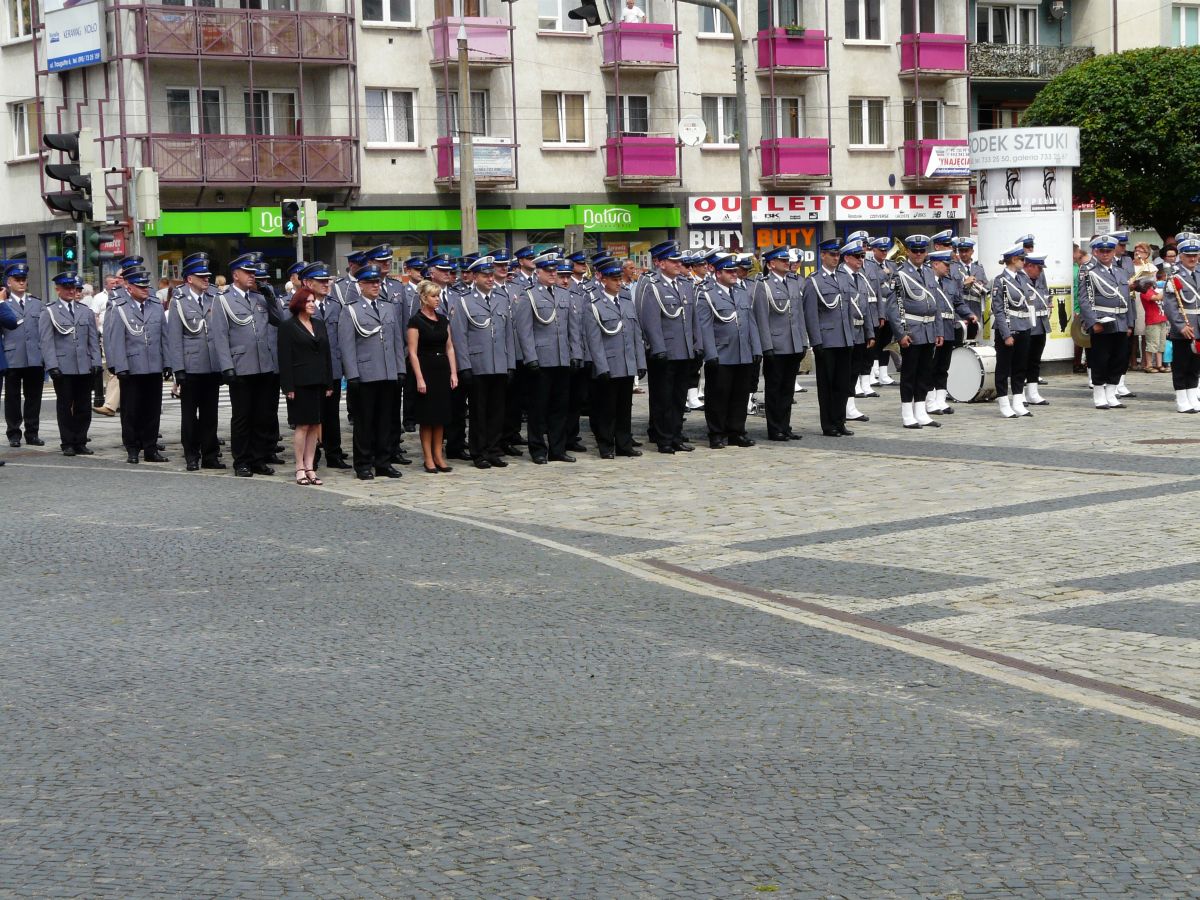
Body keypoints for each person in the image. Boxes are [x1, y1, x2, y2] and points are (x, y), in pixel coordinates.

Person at [210, 254, 280, 476]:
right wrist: (226, 366)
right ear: (235, 275)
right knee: (242, 417)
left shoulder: (259, 298)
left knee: (262, 416)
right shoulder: (223, 300)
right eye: (248, 272)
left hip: (263, 365)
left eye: (254, 273)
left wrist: (271, 297)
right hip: (240, 366)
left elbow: (279, 320)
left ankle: (258, 459)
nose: (252, 276)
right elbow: (220, 336)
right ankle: (241, 460)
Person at [449, 256, 517, 469]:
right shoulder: (464, 301)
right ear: (475, 277)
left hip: (499, 363)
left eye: (491, 275)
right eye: (485, 275)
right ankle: (479, 452)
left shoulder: (501, 299)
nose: (490, 279)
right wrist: (465, 366)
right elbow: (459, 337)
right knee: (478, 412)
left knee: (497, 411)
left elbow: (508, 335)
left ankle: (494, 450)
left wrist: (510, 363)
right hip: (478, 364)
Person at [340, 265, 406, 480]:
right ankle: (363, 464)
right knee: (364, 423)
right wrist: (352, 374)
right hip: (365, 373)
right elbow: (347, 345)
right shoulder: (351, 310)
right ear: (361, 285)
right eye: (370, 283)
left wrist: (400, 369)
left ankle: (383, 462)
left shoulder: (388, 307)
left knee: (386, 421)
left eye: (377, 282)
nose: (376, 286)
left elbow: (397, 341)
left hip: (388, 372)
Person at [513, 253, 577, 464]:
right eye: (548, 271)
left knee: (560, 407)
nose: (552, 274)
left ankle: (557, 448)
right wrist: (530, 357)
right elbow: (524, 330)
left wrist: (575, 353)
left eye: (554, 271)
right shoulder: (529, 295)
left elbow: (572, 328)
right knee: (538, 408)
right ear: (538, 272)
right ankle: (538, 448)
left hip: (561, 358)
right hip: (541, 360)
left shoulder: (564, 294)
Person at [638, 240, 700, 453]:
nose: (678, 264)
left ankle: (676, 435)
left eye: (679, 261)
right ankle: (663, 438)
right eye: (673, 261)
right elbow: (651, 321)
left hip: (684, 350)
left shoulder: (685, 284)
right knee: (662, 397)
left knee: (679, 397)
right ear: (661, 263)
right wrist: (658, 347)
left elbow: (693, 319)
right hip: (664, 351)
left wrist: (696, 343)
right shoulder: (653, 286)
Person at [104, 268, 170, 463]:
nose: (145, 289)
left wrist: (167, 362)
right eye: (140, 286)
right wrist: (120, 366)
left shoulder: (155, 305)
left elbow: (164, 336)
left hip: (154, 365)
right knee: (131, 410)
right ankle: (132, 448)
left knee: (152, 410)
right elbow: (116, 339)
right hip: (132, 367)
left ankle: (150, 448)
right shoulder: (120, 307)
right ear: (130, 288)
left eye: (146, 286)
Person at [696, 256, 762, 448]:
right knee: (718, 395)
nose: (734, 274)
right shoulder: (708, 294)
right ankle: (717, 433)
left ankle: (736, 431)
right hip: (721, 352)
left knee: (740, 395)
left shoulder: (741, 292)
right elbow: (705, 327)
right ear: (718, 273)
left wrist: (756, 348)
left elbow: (751, 322)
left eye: (735, 271)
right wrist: (710, 354)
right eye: (729, 271)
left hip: (743, 352)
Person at [166, 254, 225, 471]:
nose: (206, 279)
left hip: (211, 365)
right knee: (189, 416)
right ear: (190, 279)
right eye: (201, 276)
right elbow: (174, 338)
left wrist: (222, 365)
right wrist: (178, 369)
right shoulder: (179, 302)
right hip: (191, 367)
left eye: (207, 276)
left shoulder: (215, 298)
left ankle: (210, 455)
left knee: (210, 415)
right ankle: (191, 455)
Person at [586, 261, 645, 458]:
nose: (618, 283)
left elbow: (636, 335)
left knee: (624, 409)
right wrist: (601, 366)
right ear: (603, 280)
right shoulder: (594, 305)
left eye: (619, 279)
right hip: (609, 364)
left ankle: (624, 444)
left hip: (627, 363)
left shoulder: (627, 302)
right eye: (614, 279)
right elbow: (594, 340)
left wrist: (640, 362)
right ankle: (605, 445)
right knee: (606, 409)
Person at [38, 273, 101, 457]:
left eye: (73, 288)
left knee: (84, 406)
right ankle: (67, 442)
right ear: (57, 289)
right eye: (66, 288)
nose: (71, 291)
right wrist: (52, 365)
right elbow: (46, 341)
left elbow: (93, 339)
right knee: (65, 405)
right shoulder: (50, 311)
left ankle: (80, 441)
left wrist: (96, 361)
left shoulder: (85, 311)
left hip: (84, 365)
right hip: (63, 366)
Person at [277, 287, 334, 485]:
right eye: (308, 301)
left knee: (315, 425)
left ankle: (310, 467)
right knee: (302, 425)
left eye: (313, 301)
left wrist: (329, 381)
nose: (312, 304)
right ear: (299, 303)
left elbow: (326, 354)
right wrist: (288, 386)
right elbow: (284, 358)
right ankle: (299, 467)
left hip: (319, 381)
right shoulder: (288, 326)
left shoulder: (318, 324)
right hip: (300, 383)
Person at [887, 235, 943, 429]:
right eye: (914, 251)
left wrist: (939, 330)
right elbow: (893, 307)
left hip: (929, 330)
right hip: (911, 331)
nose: (918, 254)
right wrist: (901, 334)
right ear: (908, 252)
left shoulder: (929, 272)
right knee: (909, 374)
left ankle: (921, 411)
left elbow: (935, 304)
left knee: (925, 374)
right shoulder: (900, 274)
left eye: (922, 251)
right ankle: (907, 414)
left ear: (926, 252)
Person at [752, 246, 808, 440]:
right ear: (771, 264)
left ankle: (785, 426)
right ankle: (775, 428)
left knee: (787, 389)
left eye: (787, 260)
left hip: (793, 343)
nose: (787, 263)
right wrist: (767, 346)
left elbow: (799, 316)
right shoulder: (764, 285)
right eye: (783, 260)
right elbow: (761, 318)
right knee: (774, 388)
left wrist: (803, 341)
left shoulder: (793, 282)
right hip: (776, 345)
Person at [802, 239, 856, 436]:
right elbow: (810, 314)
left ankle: (840, 421)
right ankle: (828, 424)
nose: (835, 258)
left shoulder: (843, 278)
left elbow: (848, 310)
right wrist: (816, 342)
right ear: (822, 255)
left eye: (837, 255)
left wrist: (850, 336)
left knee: (843, 384)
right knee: (827, 386)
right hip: (826, 340)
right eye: (832, 254)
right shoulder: (814, 281)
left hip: (844, 339)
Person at [301, 262, 351, 469]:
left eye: (327, 281)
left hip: (333, 367)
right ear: (307, 283)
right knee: (312, 414)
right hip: (310, 369)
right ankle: (311, 456)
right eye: (320, 281)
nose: (326, 284)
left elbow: (342, 339)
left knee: (332, 414)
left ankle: (334, 453)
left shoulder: (335, 305)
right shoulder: (301, 306)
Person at [406, 280, 457, 473]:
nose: (437, 299)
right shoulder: (415, 321)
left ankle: (438, 455)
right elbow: (412, 352)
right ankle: (428, 458)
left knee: (441, 416)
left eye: (438, 296)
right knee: (427, 418)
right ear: (424, 298)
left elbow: (450, 347)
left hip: (442, 370)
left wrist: (453, 372)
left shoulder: (443, 320)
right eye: (433, 296)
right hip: (425, 369)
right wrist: (419, 378)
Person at [1079, 235, 1135, 410]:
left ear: (1113, 252)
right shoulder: (1090, 272)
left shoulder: (1120, 272)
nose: (1105, 254)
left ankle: (1111, 393)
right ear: (1095, 252)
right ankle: (1099, 394)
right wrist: (1092, 322)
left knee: (1119, 359)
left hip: (1121, 321)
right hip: (1102, 321)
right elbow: (1084, 300)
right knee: (1100, 359)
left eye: (1109, 251)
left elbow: (1127, 299)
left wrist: (1130, 323)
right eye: (1102, 251)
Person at [2, 262, 46, 447]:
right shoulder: (3, 303)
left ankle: (32, 433)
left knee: (34, 397)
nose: (21, 282)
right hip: (12, 356)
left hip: (35, 356)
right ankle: (14, 433)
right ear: (8, 282)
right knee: (12, 398)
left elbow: (44, 332)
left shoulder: (37, 303)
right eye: (17, 279)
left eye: (23, 279)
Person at [990, 245, 1034, 418]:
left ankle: (1018, 401)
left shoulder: (1022, 278)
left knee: (1020, 367)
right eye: (1022, 259)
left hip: (1023, 325)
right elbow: (998, 309)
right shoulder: (1000, 280)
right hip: (1008, 327)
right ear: (1013, 260)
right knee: (1003, 367)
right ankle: (1003, 402)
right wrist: (1006, 334)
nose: (1024, 262)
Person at [838, 238, 876, 423]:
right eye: (857, 256)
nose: (861, 260)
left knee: (854, 371)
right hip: (845, 332)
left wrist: (870, 332)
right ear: (846, 258)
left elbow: (865, 307)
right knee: (844, 372)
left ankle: (850, 406)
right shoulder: (839, 276)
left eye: (862, 256)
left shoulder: (860, 277)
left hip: (859, 331)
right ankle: (842, 406)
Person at [1162, 237, 1200, 413]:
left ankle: (1192, 396)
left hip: (1198, 326)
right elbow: (1169, 305)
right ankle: (1182, 399)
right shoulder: (1174, 275)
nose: (1192, 258)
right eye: (1188, 255)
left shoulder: (1198, 273)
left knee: (1195, 365)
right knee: (1181, 365)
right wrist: (1180, 325)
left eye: (1195, 255)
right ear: (1181, 256)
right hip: (1184, 326)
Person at [863, 238, 898, 386]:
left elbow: (896, 281)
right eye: (881, 250)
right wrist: (884, 273)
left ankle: (884, 374)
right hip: (877, 308)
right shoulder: (870, 266)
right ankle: (872, 372)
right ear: (874, 251)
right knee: (875, 342)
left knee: (886, 342)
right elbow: (873, 282)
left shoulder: (891, 264)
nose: (884, 253)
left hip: (891, 308)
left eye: (885, 250)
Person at [1020, 253, 1052, 407]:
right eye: (1039, 268)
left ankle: (1033, 393)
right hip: (1025, 324)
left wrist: (1048, 303)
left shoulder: (1039, 277)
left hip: (1040, 323)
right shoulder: (1019, 278)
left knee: (1035, 360)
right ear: (1029, 266)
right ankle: (1019, 393)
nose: (1041, 271)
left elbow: (1045, 293)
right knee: (1022, 361)